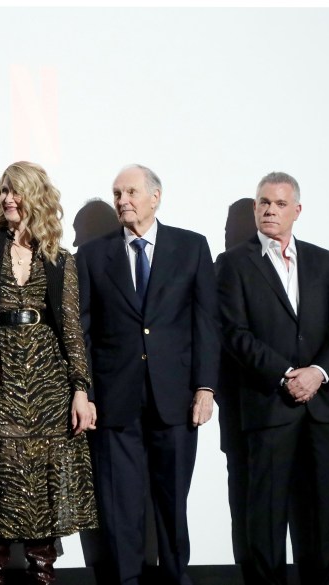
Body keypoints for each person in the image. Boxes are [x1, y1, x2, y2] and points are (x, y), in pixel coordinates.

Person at [0, 161, 98, 585]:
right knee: (0, 472)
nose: (8, 199)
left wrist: (80, 389)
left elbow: (71, 329)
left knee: (45, 475)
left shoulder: (60, 258)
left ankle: (42, 572)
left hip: (49, 378)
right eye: (4, 192)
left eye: (16, 191)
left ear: (36, 197)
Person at [76, 164, 220, 585]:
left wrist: (205, 387)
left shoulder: (191, 247)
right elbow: (83, 330)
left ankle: (178, 578)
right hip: (115, 402)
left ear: (155, 197)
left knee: (173, 504)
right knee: (121, 510)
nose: (123, 201)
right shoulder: (92, 255)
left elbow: (207, 324)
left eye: (131, 192)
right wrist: (83, 391)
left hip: (175, 399)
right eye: (117, 194)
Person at [216, 171, 329, 585]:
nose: (269, 210)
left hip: (323, 407)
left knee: (327, 515)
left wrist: (318, 372)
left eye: (278, 203)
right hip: (269, 406)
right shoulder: (232, 263)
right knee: (266, 518)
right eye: (263, 203)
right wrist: (285, 374)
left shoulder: (324, 260)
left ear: (297, 210)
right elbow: (234, 333)